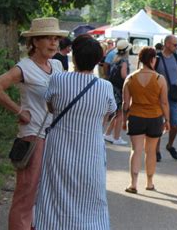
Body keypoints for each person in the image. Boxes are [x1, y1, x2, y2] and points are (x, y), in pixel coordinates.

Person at [0, 17, 68, 230]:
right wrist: (20, 111)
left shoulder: (57, 65)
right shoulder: (25, 67)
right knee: (26, 192)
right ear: (35, 42)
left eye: (56, 39)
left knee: (46, 191)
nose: (54, 43)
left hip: (55, 136)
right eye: (48, 39)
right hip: (33, 136)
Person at [35, 34, 116, 229]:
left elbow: (50, 107)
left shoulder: (58, 79)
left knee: (54, 198)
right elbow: (109, 114)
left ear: (74, 57)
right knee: (91, 201)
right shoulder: (105, 87)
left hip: (59, 152)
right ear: (98, 60)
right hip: (91, 155)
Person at [123, 46, 170, 193]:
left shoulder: (130, 78)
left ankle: (133, 184)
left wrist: (125, 119)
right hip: (155, 118)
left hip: (136, 116)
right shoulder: (159, 79)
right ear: (152, 59)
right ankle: (149, 183)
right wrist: (167, 120)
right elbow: (164, 102)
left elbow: (125, 103)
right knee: (150, 151)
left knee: (135, 150)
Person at [155, 35, 177, 161]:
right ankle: (156, 150)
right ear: (167, 44)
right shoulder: (157, 58)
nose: (176, 47)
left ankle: (170, 145)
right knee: (159, 123)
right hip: (158, 96)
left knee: (175, 123)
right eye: (174, 44)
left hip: (172, 96)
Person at [104, 39, 131, 145]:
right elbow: (124, 75)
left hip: (113, 87)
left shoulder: (115, 58)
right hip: (119, 89)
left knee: (116, 114)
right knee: (119, 114)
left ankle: (108, 133)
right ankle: (116, 137)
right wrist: (131, 79)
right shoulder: (124, 61)